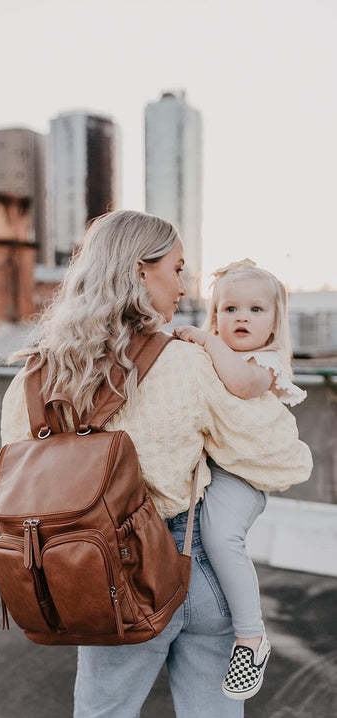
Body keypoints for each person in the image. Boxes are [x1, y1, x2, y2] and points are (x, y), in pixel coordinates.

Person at [0, 210, 312, 717]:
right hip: (192, 564)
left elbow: (18, 485)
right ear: (142, 272)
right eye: (177, 269)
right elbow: (281, 461)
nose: (184, 286)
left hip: (95, 578)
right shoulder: (187, 361)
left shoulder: (33, 377)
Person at [172, 259, 307, 701]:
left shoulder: (265, 362)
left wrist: (208, 341)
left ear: (274, 321)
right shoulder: (213, 354)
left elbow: (243, 385)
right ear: (216, 314)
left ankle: (251, 637)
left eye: (255, 310)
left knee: (220, 535)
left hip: (245, 473)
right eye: (229, 310)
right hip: (218, 467)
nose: (242, 318)